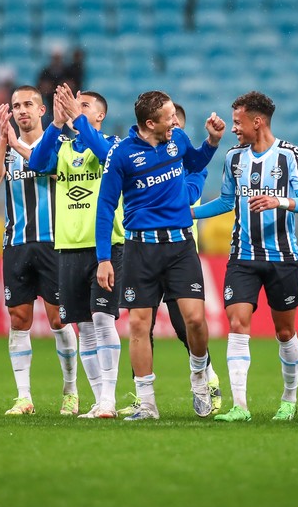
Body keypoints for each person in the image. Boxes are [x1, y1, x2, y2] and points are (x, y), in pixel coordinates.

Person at [95, 90, 225, 420]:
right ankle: (147, 403)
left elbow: (194, 161)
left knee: (195, 319)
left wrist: (211, 141)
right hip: (141, 248)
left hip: (181, 245)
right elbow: (105, 207)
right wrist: (103, 258)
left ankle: (199, 377)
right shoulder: (121, 155)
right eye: (169, 117)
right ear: (150, 123)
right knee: (139, 325)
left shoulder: (176, 139)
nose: (176, 122)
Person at [193, 91, 298, 422]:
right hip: (243, 257)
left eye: (237, 122)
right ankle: (240, 406)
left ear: (256, 121)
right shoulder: (234, 158)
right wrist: (188, 212)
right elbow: (225, 202)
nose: (234, 129)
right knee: (237, 324)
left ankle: (289, 399)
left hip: (282, 257)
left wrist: (281, 202)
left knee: (285, 332)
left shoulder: (290, 155)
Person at [27, 84, 124, 418]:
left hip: (105, 247)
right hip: (67, 247)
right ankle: (99, 401)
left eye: (83, 106)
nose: (74, 110)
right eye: (72, 105)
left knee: (102, 317)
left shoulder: (113, 146)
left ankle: (109, 397)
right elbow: (38, 163)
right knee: (83, 325)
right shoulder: (64, 148)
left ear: (100, 115)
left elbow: (99, 150)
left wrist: (76, 118)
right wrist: (55, 124)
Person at [0, 85, 79, 416]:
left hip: (55, 242)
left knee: (58, 318)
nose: (21, 110)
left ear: (42, 111)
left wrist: (17, 145)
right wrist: (2, 140)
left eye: (28, 104)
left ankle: (70, 391)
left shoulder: (60, 143)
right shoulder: (7, 149)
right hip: (17, 244)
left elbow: (50, 168)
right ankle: (23, 396)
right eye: (15, 106)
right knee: (19, 318)